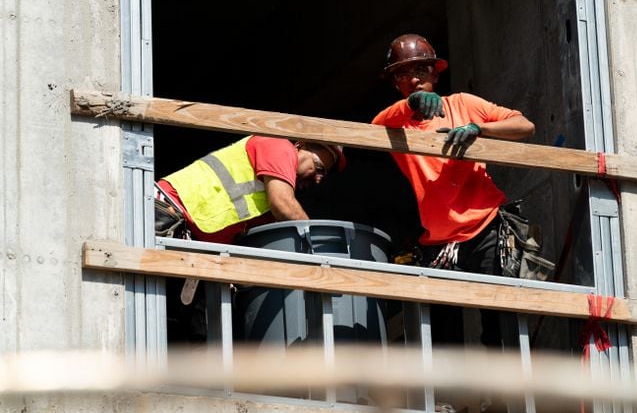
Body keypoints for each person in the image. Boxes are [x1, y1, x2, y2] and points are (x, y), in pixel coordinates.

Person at [372, 33, 535, 276]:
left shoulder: (463, 105)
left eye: (421, 70)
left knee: (499, 312)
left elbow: (524, 125)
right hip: (438, 240)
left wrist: (479, 128)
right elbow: (374, 127)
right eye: (403, 74)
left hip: (486, 227)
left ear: (435, 74)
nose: (414, 79)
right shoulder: (397, 125)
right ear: (396, 84)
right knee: (440, 314)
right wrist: (412, 103)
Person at [155, 135, 346, 244]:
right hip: (167, 212)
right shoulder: (280, 146)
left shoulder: (268, 207)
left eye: (324, 175)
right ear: (299, 145)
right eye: (319, 168)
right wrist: (320, 246)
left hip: (186, 234)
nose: (319, 179)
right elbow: (283, 204)